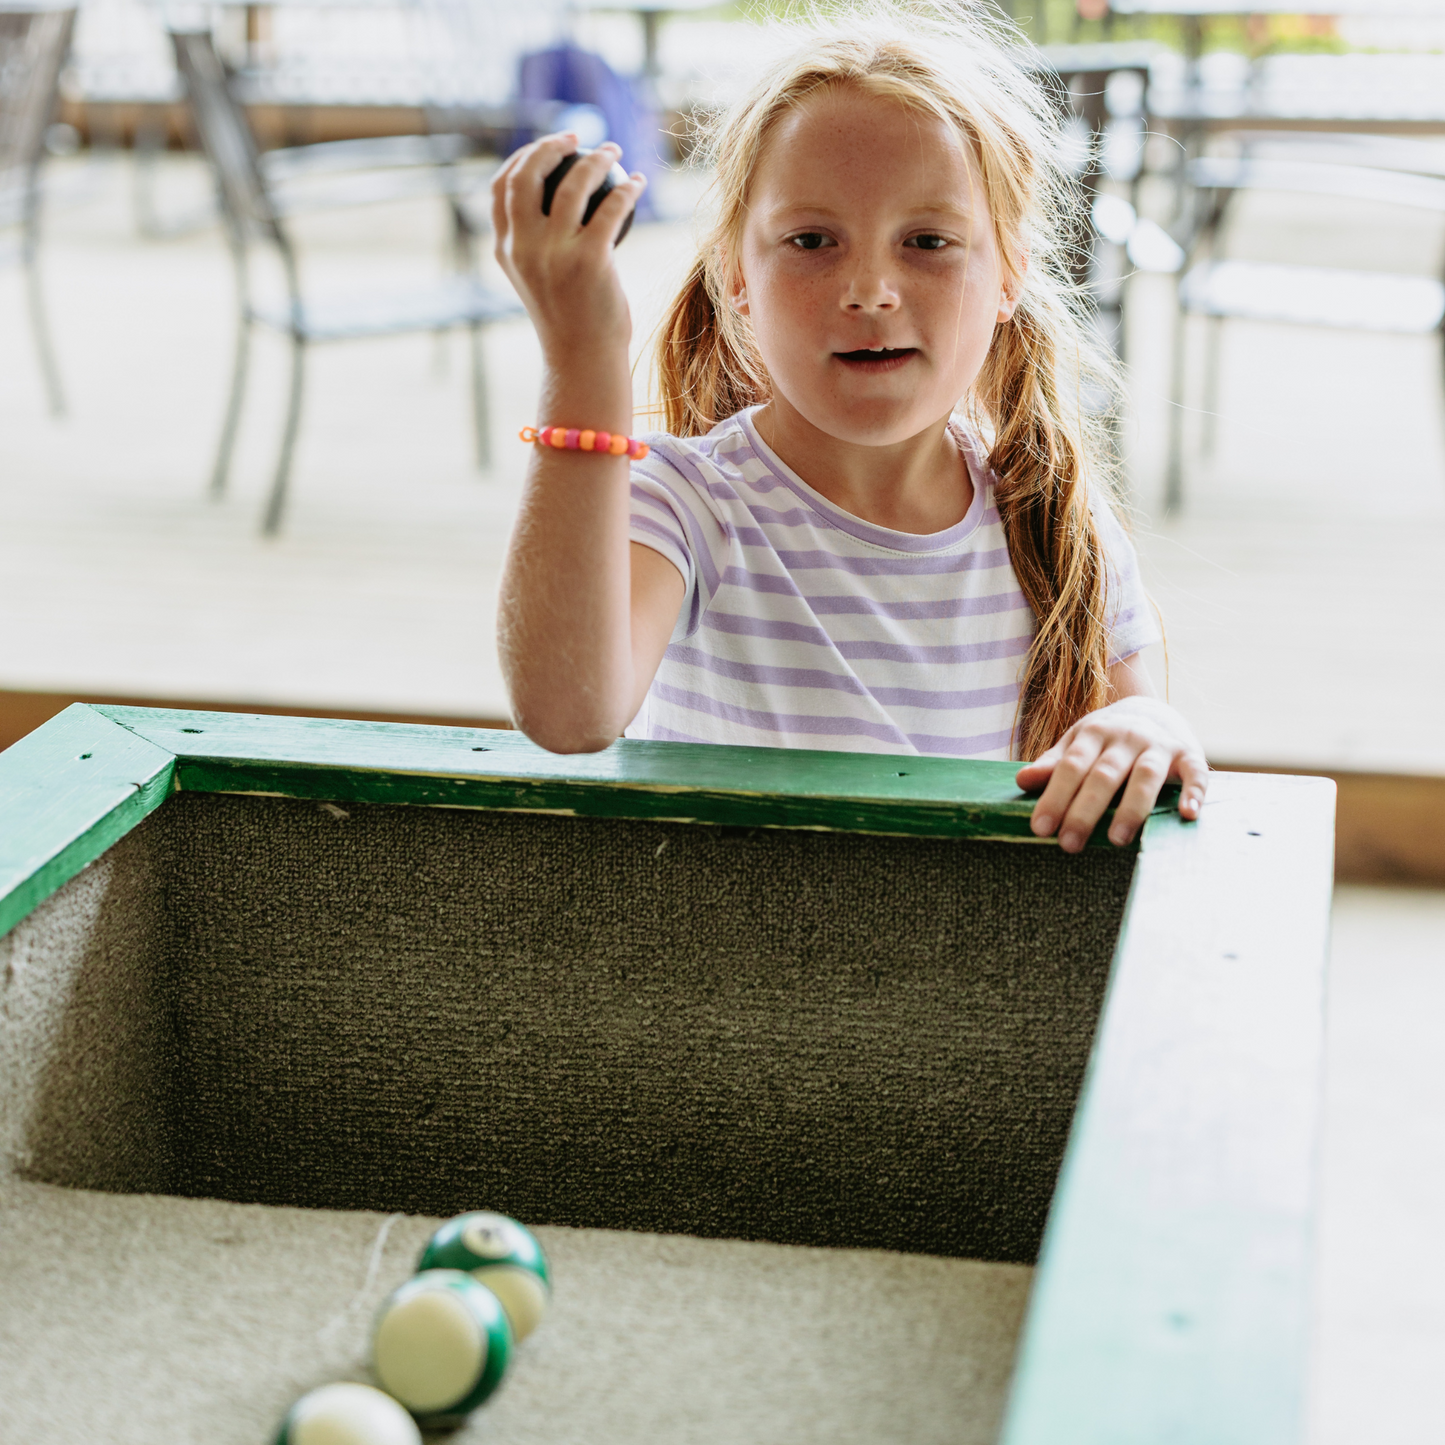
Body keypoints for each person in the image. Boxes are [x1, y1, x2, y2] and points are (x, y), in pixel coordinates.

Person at [489, 3, 1208, 855]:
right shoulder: (687, 506)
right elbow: (568, 712)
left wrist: (1150, 730)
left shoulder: (1053, 520)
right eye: (811, 239)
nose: (870, 289)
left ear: (1009, 274)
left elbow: (1137, 739)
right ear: (737, 277)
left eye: (928, 241)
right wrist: (582, 356)